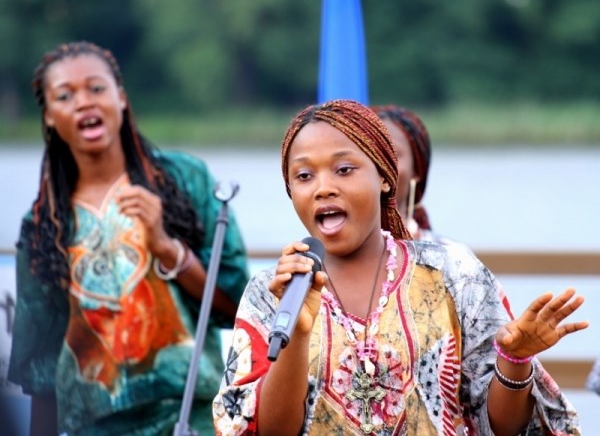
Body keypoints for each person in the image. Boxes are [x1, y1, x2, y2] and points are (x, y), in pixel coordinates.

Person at [212, 99, 588, 435]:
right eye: (304, 176)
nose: (322, 187)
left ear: (385, 178)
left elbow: (504, 427)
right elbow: (270, 430)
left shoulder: (453, 274)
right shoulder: (273, 292)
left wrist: (515, 360)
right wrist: (296, 333)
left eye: (344, 169)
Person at [8, 41, 249, 436]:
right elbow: (39, 369)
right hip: (93, 426)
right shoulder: (43, 223)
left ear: (121, 97)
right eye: (65, 96)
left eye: (97, 88)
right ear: (49, 116)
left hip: (192, 418)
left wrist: (167, 248)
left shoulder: (184, 180)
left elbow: (238, 306)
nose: (84, 102)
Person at [371, 104, 456, 244]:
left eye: (391, 155)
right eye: (369, 153)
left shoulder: (450, 258)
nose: (379, 165)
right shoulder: (325, 254)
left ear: (416, 169)